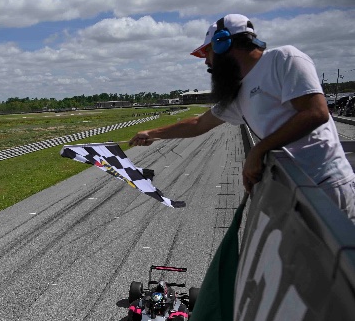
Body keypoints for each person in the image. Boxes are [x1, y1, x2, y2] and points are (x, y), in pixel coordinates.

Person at [130, 14, 355, 221]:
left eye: (207, 53)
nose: (206, 62)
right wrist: (151, 133)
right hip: (292, 189)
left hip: (327, 185)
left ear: (223, 43)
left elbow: (316, 112)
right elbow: (199, 123)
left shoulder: (284, 58)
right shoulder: (239, 92)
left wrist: (258, 151)